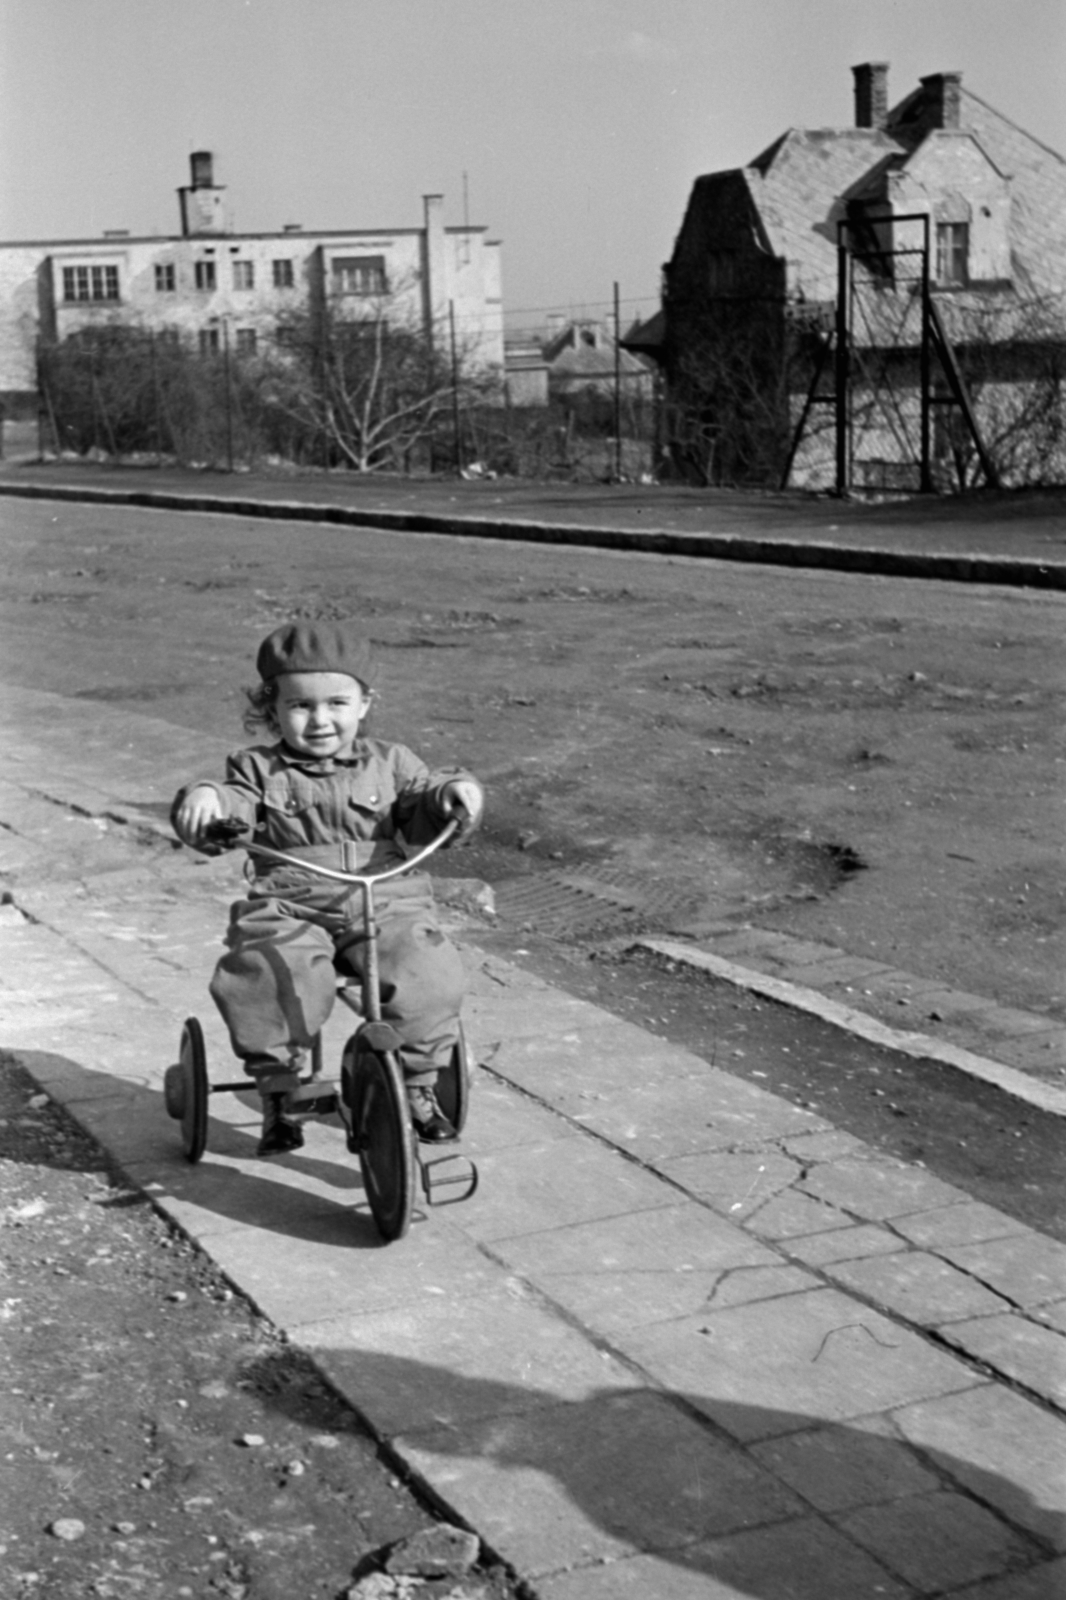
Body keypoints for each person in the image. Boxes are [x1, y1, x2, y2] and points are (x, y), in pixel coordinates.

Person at [171, 621, 484, 1155]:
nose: (320, 721)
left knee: (428, 969)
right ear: (272, 710)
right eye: (299, 707)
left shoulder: (392, 762)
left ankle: (418, 1083)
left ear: (364, 704)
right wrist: (206, 802)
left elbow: (423, 798)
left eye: (337, 703)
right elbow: (233, 802)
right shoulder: (256, 767)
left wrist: (455, 791)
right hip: (292, 899)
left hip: (386, 897)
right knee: (270, 971)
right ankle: (281, 1088)